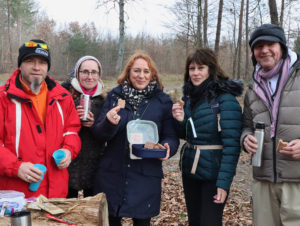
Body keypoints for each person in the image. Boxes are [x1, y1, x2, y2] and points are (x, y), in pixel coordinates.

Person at [92, 51, 179, 226]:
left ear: (152, 74)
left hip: (145, 175)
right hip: (113, 174)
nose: (141, 76)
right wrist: (109, 122)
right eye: (136, 71)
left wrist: (166, 147)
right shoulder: (115, 96)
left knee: (142, 222)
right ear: (128, 73)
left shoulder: (162, 102)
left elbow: (171, 136)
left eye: (146, 71)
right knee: (111, 220)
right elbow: (99, 134)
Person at [0, 39, 81, 198]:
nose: (36, 67)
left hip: (56, 193)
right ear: (20, 64)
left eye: (42, 62)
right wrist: (16, 167)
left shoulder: (62, 97)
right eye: (30, 61)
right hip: (16, 196)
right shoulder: (3, 99)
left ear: (47, 67)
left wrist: (68, 150)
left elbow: (72, 131)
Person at [172, 48, 243, 226]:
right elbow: (188, 134)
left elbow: (232, 146)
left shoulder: (225, 100)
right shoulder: (189, 98)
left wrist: (224, 184)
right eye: (192, 68)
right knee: (195, 221)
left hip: (214, 175)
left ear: (210, 69)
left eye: (200, 68)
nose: (195, 73)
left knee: (209, 222)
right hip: (190, 172)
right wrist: (180, 120)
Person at [242, 24, 300, 225]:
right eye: (259, 46)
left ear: (282, 47)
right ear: (253, 52)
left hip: (296, 180)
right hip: (263, 179)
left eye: (270, 44)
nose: (264, 50)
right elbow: (246, 125)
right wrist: (245, 139)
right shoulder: (252, 86)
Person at [61, 56, 106, 198]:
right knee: (67, 210)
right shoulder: (63, 95)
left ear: (99, 75)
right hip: (68, 162)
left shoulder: (106, 99)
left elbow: (109, 133)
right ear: (77, 73)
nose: (89, 76)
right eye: (85, 72)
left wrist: (95, 124)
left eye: (94, 72)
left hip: (95, 162)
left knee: (92, 211)